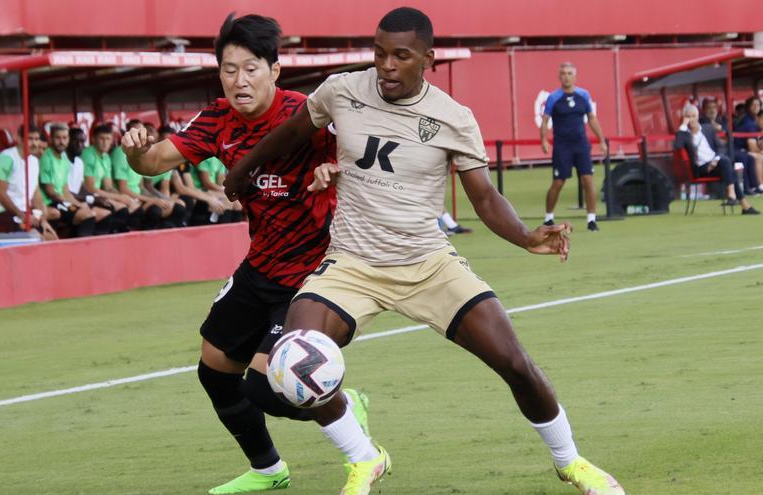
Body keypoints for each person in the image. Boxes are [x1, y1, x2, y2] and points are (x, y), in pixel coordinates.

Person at [225, 7, 626, 495]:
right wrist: (242, 168)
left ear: (427, 59)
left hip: (428, 264)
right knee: (290, 363)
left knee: (516, 363)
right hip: (351, 265)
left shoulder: (454, 118)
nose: (386, 66)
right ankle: (364, 456)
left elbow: (484, 196)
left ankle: (571, 462)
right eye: (379, 54)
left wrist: (524, 235)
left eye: (401, 56)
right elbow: (290, 133)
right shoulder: (341, 90)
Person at [121, 13, 374, 495]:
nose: (240, 80)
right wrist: (136, 150)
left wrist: (332, 172)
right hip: (260, 267)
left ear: (275, 70)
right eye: (229, 69)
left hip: (314, 275)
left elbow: (358, 160)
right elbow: (152, 165)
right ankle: (268, 470)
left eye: (251, 67)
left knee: (266, 385)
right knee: (214, 369)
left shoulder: (307, 112)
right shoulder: (217, 118)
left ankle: (342, 401)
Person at [539, 62, 607, 231]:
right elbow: (545, 121)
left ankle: (591, 220)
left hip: (581, 144)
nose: (567, 76)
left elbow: (592, 118)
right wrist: (544, 140)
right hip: (562, 145)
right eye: (563, 73)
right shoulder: (554, 98)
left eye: (570, 73)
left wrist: (601, 140)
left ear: (575, 76)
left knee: (587, 180)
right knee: (558, 182)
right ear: (559, 76)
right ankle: (548, 218)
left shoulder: (583, 95)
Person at [674, 105, 759, 214]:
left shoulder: (708, 128)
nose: (691, 119)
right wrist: (683, 125)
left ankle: (739, 201)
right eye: (688, 117)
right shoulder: (684, 134)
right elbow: (677, 146)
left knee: (726, 164)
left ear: (698, 116)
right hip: (701, 169)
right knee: (727, 164)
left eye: (693, 116)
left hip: (716, 164)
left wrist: (715, 160)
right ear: (684, 118)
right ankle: (738, 200)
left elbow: (720, 147)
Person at [0, 125, 57, 240]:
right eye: (30, 139)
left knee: (52, 237)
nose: (34, 143)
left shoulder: (34, 161)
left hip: (22, 213)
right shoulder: (6, 158)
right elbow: (0, 194)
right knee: (38, 239)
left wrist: (43, 219)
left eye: (36, 139)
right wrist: (23, 216)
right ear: (19, 139)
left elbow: (36, 194)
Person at [39, 123, 110, 237]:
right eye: (58, 138)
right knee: (87, 216)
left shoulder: (64, 159)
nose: (61, 141)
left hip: (62, 201)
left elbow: (65, 190)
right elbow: (51, 192)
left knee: (95, 213)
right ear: (51, 139)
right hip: (51, 202)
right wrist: (76, 205)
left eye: (64, 138)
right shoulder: (46, 158)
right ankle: (79, 250)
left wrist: (78, 204)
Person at [81, 123, 144, 230]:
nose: (105, 142)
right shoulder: (88, 155)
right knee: (122, 210)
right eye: (101, 139)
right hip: (87, 196)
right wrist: (119, 198)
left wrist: (125, 198)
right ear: (93, 139)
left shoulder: (105, 157)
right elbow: (90, 188)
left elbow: (108, 187)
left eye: (108, 139)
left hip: (99, 195)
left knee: (135, 209)